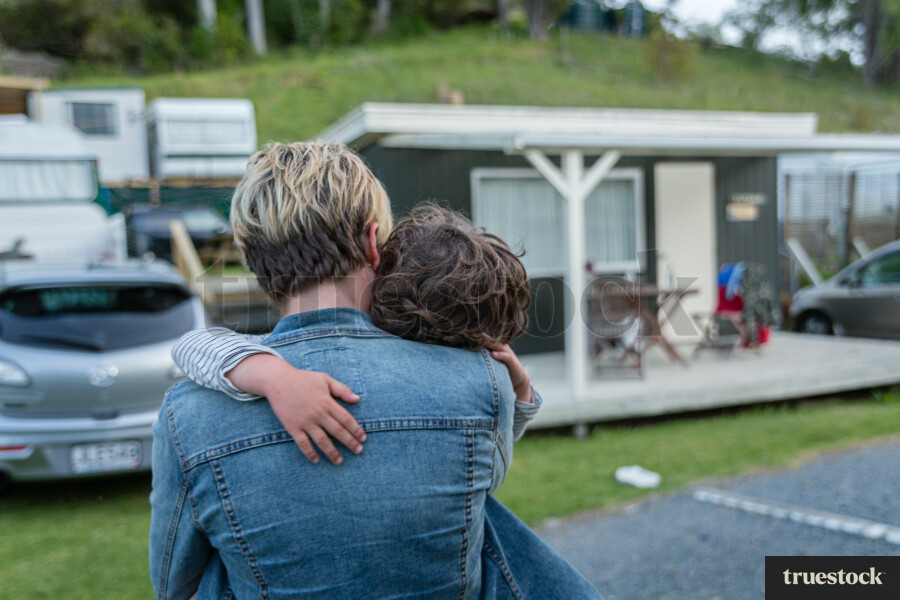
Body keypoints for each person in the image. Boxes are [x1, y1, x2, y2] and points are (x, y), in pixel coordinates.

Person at [150, 142, 602, 599]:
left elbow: (174, 582)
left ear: (253, 261)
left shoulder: (188, 415)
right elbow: (486, 477)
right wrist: (514, 396)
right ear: (373, 243)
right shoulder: (477, 379)